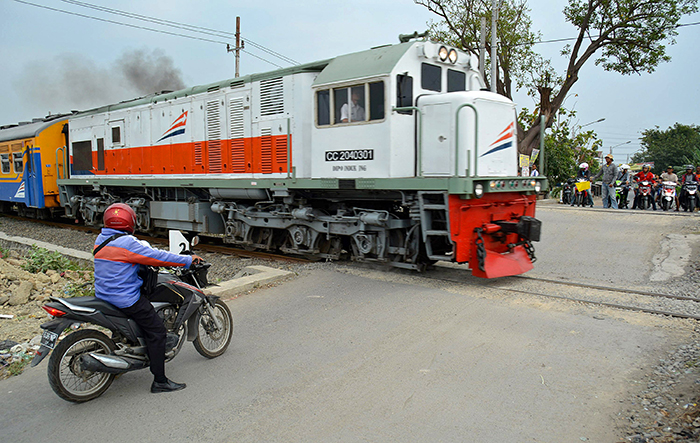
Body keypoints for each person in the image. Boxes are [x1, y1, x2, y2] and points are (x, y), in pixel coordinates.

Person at [93, 203, 203, 394]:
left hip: (104, 295)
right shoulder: (127, 243)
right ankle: (160, 381)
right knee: (157, 331)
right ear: (130, 221)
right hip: (124, 298)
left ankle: (119, 363)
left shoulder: (102, 238)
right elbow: (156, 257)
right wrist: (187, 260)